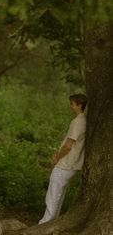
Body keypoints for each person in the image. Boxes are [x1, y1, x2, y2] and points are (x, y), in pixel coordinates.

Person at [39, 93, 87, 225]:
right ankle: (51, 223)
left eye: (72, 104)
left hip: (66, 163)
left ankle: (44, 223)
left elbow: (68, 145)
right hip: (72, 164)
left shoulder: (77, 122)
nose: (70, 106)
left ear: (79, 105)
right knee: (58, 194)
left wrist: (56, 158)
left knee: (53, 195)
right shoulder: (83, 121)